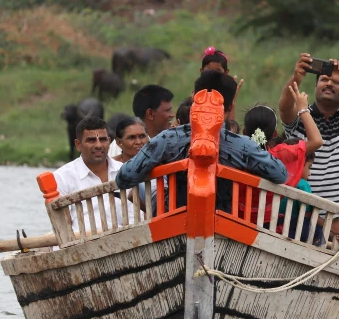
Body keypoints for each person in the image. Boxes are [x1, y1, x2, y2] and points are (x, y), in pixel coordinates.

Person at [115, 70, 287, 213]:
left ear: (194, 99)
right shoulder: (243, 145)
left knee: (149, 190)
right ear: (229, 107)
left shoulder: (167, 139)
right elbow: (280, 174)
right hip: (223, 224)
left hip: (173, 221)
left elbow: (124, 178)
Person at [279, 54, 339, 243]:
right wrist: (296, 77)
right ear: (315, 87)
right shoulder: (302, 116)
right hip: (306, 221)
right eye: (324, 79)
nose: (329, 83)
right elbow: (285, 109)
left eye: (335, 82)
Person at [241, 82, 323, 223]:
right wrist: (303, 109)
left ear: (244, 133)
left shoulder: (235, 152)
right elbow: (317, 141)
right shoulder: (279, 155)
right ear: (274, 134)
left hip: (236, 220)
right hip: (267, 224)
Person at [54, 117, 138, 234]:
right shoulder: (62, 177)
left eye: (103, 140)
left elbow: (135, 217)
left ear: (109, 141)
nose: (99, 145)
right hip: (81, 247)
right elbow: (64, 229)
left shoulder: (125, 171)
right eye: (91, 140)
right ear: (78, 145)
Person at [200, 46, 242, 120]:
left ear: (226, 72)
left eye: (217, 71)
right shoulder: (197, 95)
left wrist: (231, 99)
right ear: (201, 71)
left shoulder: (227, 96)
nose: (212, 75)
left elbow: (232, 126)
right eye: (208, 70)